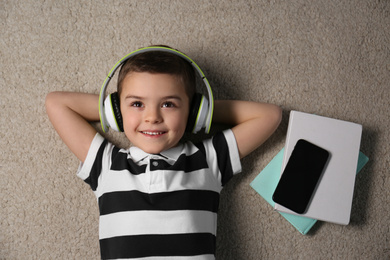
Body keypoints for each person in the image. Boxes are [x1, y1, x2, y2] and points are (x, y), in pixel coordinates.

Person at [45, 46, 282, 260]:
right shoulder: (107, 164)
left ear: (192, 113)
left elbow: (270, 116)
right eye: (137, 104)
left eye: (168, 104)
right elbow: (56, 103)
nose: (152, 117)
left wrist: (203, 113)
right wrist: (109, 111)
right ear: (117, 110)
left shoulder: (208, 160)